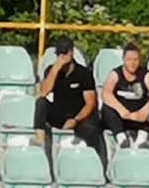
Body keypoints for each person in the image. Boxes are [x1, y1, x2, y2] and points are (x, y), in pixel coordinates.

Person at [34, 37, 105, 170]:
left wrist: (76, 119)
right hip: (60, 113)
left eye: (65, 53)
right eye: (60, 53)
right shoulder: (52, 70)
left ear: (71, 52)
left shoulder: (83, 73)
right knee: (41, 103)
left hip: (79, 116)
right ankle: (39, 142)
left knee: (91, 130)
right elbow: (43, 92)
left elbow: (90, 103)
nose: (62, 56)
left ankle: (98, 165)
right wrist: (56, 69)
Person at [99, 43, 149, 151]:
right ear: (123, 59)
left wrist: (144, 111)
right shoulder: (115, 74)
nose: (132, 63)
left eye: (135, 60)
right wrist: (123, 111)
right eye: (129, 59)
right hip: (121, 116)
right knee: (107, 108)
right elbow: (106, 94)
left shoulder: (146, 75)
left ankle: (142, 139)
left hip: (139, 116)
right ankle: (121, 138)